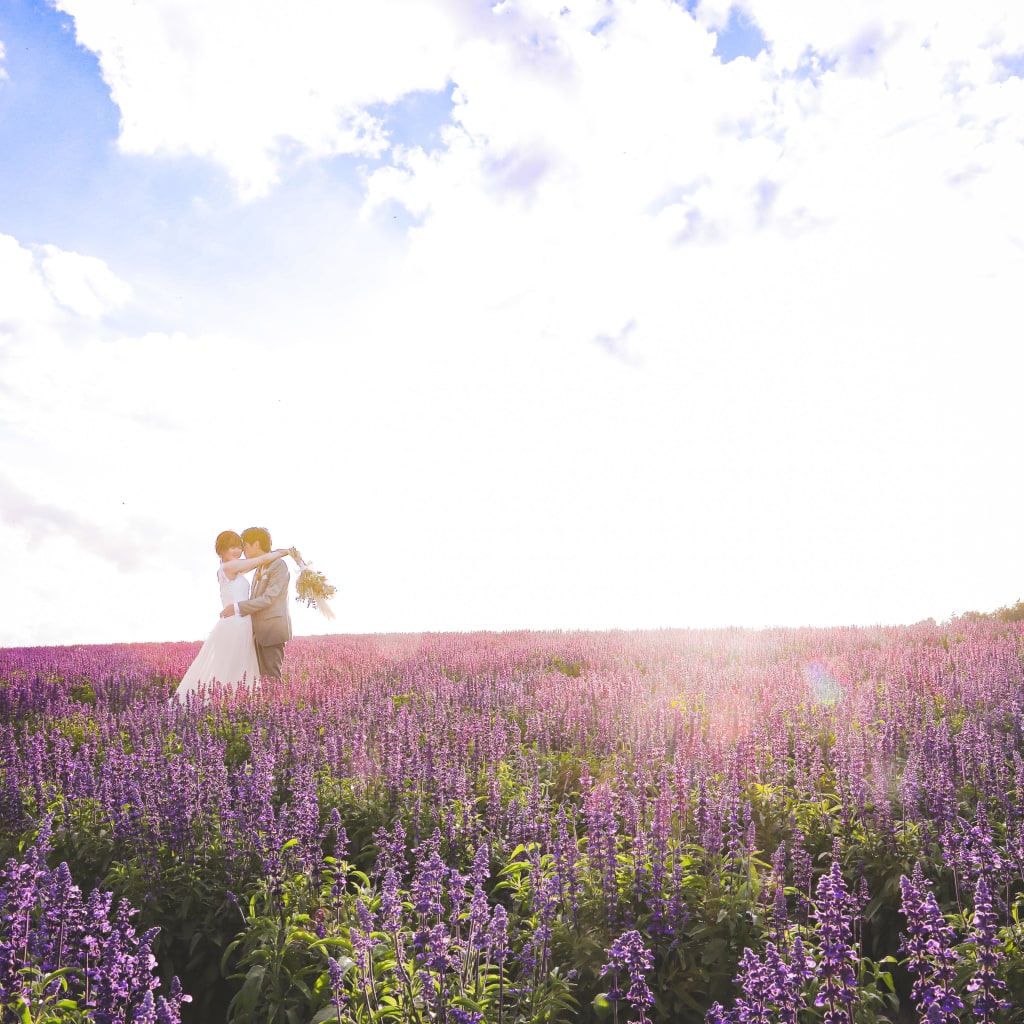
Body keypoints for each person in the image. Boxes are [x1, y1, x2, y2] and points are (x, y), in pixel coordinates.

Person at [174, 531, 292, 701]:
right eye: (233, 547)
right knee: (233, 665)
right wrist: (282, 552)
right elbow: (259, 560)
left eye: (240, 546)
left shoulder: (239, 568)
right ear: (221, 550)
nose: (238, 551)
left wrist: (273, 556)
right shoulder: (228, 567)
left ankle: (241, 703)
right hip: (235, 623)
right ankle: (229, 703)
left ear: (255, 544)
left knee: (242, 666)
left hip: (247, 623)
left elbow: (258, 565)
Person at [219, 526, 298, 684]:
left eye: (245, 545)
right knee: (262, 678)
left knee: (272, 677)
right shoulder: (260, 566)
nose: (243, 550)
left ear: (256, 544)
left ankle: (276, 708)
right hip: (256, 631)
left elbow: (269, 598)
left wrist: (237, 608)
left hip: (272, 629)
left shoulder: (278, 565)